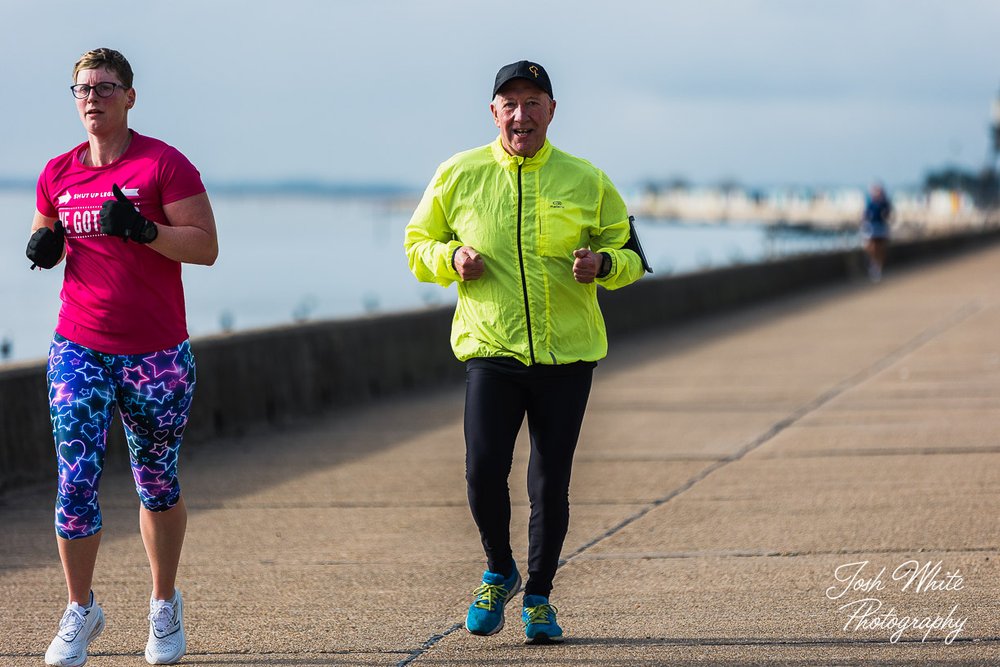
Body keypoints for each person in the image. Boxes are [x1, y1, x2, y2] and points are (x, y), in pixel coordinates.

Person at [404, 60, 645, 644]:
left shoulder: (587, 180)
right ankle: (499, 568)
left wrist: (604, 265)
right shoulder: (458, 174)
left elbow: (634, 257)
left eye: (533, 102)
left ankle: (538, 595)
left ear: (551, 111)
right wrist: (451, 258)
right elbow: (417, 245)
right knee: (483, 469)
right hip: (492, 348)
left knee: (548, 482)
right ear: (494, 113)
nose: (521, 114)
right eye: (510, 103)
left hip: (567, 355)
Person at [27, 48, 218, 667]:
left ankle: (164, 605)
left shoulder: (164, 163)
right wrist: (44, 244)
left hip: (156, 353)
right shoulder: (57, 172)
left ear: (130, 97)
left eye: (106, 87)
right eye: (81, 88)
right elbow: (48, 234)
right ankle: (81, 609)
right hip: (78, 346)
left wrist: (143, 230)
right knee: (74, 482)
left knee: (155, 481)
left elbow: (206, 247)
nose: (92, 97)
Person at [861, 182, 892, 282]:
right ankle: (873, 265)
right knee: (871, 246)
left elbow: (888, 214)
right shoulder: (870, 202)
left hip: (881, 227)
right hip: (872, 227)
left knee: (880, 248)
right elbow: (865, 214)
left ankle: (877, 267)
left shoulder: (884, 202)